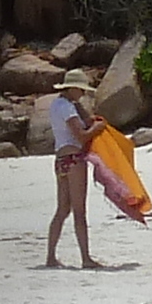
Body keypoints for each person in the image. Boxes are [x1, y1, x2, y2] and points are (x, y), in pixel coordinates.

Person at [43, 73, 102, 269]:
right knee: (79, 211)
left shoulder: (57, 105)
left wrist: (81, 109)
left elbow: (84, 121)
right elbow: (82, 135)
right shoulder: (67, 108)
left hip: (61, 159)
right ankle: (86, 258)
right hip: (75, 159)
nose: (83, 92)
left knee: (62, 210)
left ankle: (51, 256)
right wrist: (100, 128)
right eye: (80, 89)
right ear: (71, 88)